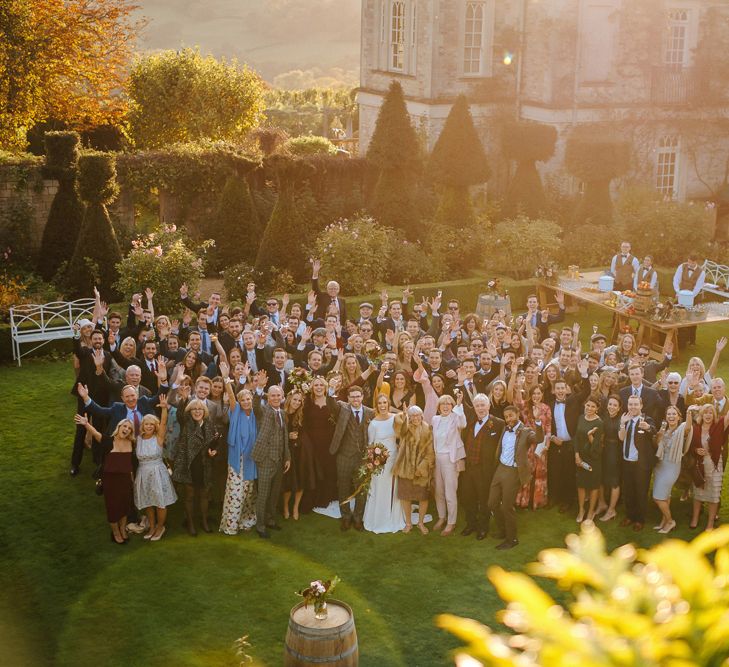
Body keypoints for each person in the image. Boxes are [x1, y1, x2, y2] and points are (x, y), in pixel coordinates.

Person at [74, 415, 135, 545]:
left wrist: (132, 480)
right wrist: (86, 423)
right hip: (111, 481)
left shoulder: (131, 443)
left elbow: (130, 465)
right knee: (113, 507)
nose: (126, 429)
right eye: (124, 426)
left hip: (125, 480)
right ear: (119, 427)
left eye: (129, 428)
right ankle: (116, 533)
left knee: (125, 507)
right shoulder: (108, 441)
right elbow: (96, 433)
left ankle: (123, 529)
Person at [488, 405, 537, 550]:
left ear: (517, 414)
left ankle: (512, 538)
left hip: (513, 472)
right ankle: (503, 530)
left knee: (507, 506)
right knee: (492, 503)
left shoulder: (526, 431)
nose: (509, 419)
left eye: (511, 415)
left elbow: (538, 438)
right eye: (506, 416)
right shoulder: (505, 427)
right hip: (500, 468)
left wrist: (538, 420)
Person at [328, 386, 375, 531]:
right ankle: (346, 517)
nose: (355, 399)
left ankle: (358, 518)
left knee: (361, 489)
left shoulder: (370, 412)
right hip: (344, 456)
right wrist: (330, 391)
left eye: (358, 396)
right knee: (343, 487)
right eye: (352, 397)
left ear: (362, 397)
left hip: (362, 457)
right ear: (348, 398)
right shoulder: (343, 408)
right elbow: (331, 404)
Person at [173, 395, 219, 536]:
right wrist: (183, 398)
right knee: (190, 496)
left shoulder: (210, 425)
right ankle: (191, 523)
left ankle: (204, 521)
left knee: (204, 495)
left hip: (205, 465)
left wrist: (214, 451)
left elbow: (215, 443)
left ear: (204, 411)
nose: (197, 411)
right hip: (189, 465)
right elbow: (180, 414)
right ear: (190, 411)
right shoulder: (186, 423)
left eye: (200, 409)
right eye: (194, 409)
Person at [460, 394, 504, 540]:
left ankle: (483, 527)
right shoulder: (470, 421)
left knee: (484, 499)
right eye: (477, 405)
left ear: (488, 406)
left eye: (482, 405)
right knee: (468, 497)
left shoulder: (498, 424)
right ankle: (471, 524)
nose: (480, 408)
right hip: (469, 467)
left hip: (485, 469)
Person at [251, 379, 291, 538]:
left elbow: (284, 437)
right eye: (272, 395)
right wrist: (259, 388)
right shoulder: (263, 410)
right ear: (268, 397)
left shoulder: (282, 413)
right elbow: (255, 406)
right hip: (265, 459)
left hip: (280, 460)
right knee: (263, 494)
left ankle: (270, 520)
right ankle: (260, 526)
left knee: (274, 494)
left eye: (278, 395)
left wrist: (287, 457)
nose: (275, 398)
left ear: (282, 397)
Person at [134, 394, 177, 541]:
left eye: (152, 424)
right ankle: (151, 527)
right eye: (147, 424)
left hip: (158, 472)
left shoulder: (158, 438)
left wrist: (164, 408)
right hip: (143, 473)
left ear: (155, 426)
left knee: (160, 502)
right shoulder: (138, 439)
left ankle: (160, 527)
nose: (149, 426)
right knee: (148, 502)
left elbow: (164, 423)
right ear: (143, 425)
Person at [363, 394, 406, 533]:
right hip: (379, 461)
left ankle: (393, 515)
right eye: (380, 403)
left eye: (385, 403)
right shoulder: (373, 423)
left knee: (393, 488)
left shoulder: (395, 418)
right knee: (379, 487)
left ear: (388, 404)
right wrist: (373, 459)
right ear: (377, 405)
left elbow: (403, 433)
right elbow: (370, 443)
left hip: (393, 458)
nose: (382, 405)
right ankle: (379, 517)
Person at [220, 381, 258, 535]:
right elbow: (231, 397)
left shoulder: (256, 414)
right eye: (243, 400)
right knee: (235, 491)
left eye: (248, 399)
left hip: (251, 460)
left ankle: (246, 520)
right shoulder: (236, 412)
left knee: (249, 492)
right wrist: (226, 381)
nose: (246, 402)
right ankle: (230, 525)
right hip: (237, 460)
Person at [392, 406, 435, 534]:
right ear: (409, 417)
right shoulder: (406, 427)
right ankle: (409, 523)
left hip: (422, 469)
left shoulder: (427, 429)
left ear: (422, 416)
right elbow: (398, 429)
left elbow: (430, 452)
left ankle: (420, 523)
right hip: (405, 467)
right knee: (406, 496)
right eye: (412, 416)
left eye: (418, 415)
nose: (415, 418)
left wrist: (422, 467)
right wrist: (404, 415)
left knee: (423, 497)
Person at [430, 392, 467, 536]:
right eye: (442, 404)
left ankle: (451, 522)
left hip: (451, 459)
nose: (445, 406)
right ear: (438, 407)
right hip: (437, 458)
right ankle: (441, 517)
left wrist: (459, 405)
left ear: (452, 406)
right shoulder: (435, 419)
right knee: (438, 491)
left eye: (448, 403)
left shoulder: (456, 417)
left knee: (449, 492)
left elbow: (463, 423)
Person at [618, 395, 657, 531]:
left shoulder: (646, 419)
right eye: (630, 404)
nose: (633, 407)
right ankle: (630, 516)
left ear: (641, 406)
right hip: (627, 461)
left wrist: (647, 427)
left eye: (635, 404)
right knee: (628, 491)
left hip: (641, 464)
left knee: (641, 492)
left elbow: (653, 431)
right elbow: (622, 438)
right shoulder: (625, 418)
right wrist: (622, 424)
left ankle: (640, 519)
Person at [688, 404, 729, 531]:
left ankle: (710, 523)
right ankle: (695, 518)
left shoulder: (719, 426)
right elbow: (689, 446)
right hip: (699, 465)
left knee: (714, 493)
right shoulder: (696, 428)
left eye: (710, 413)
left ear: (714, 415)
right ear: (701, 415)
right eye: (705, 412)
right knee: (698, 492)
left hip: (714, 464)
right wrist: (696, 450)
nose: (708, 415)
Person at [652, 405, 692, 534]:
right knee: (665, 495)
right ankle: (663, 522)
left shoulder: (681, 429)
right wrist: (659, 436)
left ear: (679, 416)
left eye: (674, 414)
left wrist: (689, 412)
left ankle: (670, 521)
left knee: (658, 498)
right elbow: (657, 445)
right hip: (660, 466)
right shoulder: (665, 429)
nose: (671, 416)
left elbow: (688, 427)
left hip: (672, 466)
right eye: (669, 414)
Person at [304, 376, 337, 510]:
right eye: (316, 385)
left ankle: (326, 497)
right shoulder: (308, 402)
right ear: (312, 388)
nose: (318, 388)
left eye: (321, 385)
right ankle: (313, 498)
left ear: (325, 388)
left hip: (329, 441)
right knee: (314, 470)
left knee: (328, 469)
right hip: (312, 442)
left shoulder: (331, 401)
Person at [573, 397, 604, 523]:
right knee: (581, 485)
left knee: (593, 486)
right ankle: (581, 510)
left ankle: (591, 511)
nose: (589, 408)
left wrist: (590, 436)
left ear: (597, 409)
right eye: (588, 405)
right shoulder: (581, 418)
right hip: (580, 457)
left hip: (594, 459)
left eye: (592, 406)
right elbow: (576, 438)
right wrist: (576, 455)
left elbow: (598, 447)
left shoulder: (599, 423)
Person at [597, 395, 622, 522]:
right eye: (610, 404)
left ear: (619, 408)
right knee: (600, 477)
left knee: (614, 481)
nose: (612, 407)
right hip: (604, 449)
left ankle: (612, 510)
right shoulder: (604, 417)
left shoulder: (621, 420)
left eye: (615, 405)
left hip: (615, 451)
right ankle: (602, 503)